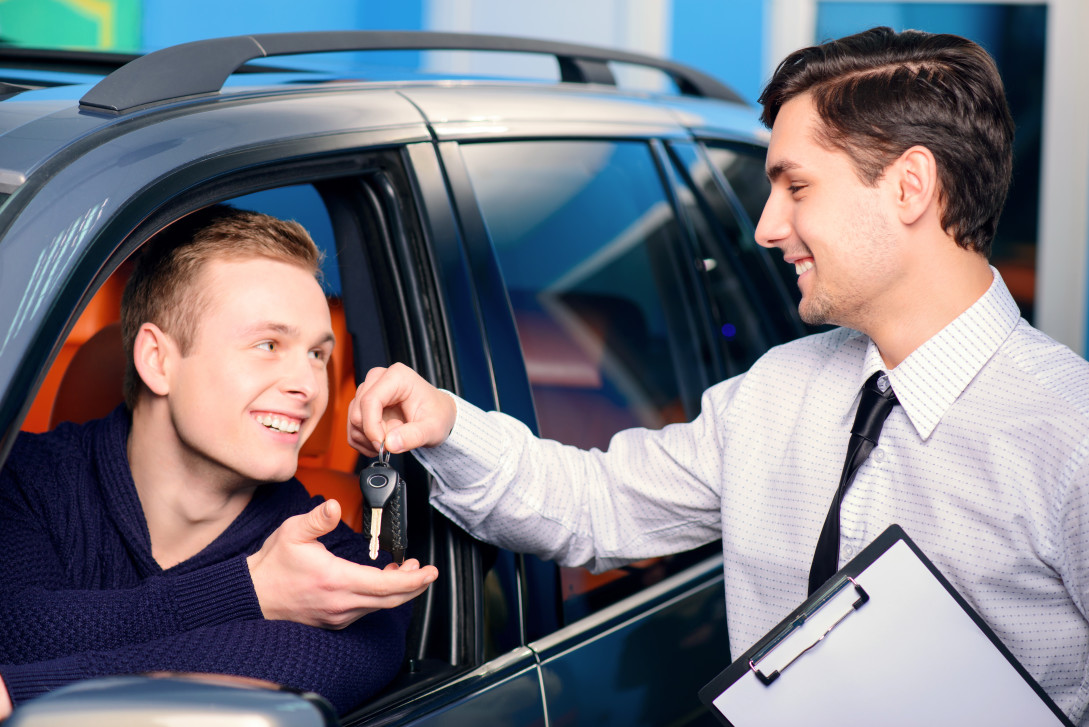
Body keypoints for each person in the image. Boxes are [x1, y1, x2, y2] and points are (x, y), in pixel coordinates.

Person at [348, 27, 1089, 724]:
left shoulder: (1069, 435)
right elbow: (592, 504)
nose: (765, 226)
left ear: (909, 186)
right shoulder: (774, 391)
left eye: (795, 187)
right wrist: (447, 423)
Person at [0, 206, 438, 718]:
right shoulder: (25, 477)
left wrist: (16, 694)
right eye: (268, 344)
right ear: (157, 361)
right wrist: (252, 593)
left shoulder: (338, 568)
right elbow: (18, 624)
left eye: (319, 355)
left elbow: (265, 680)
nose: (308, 385)